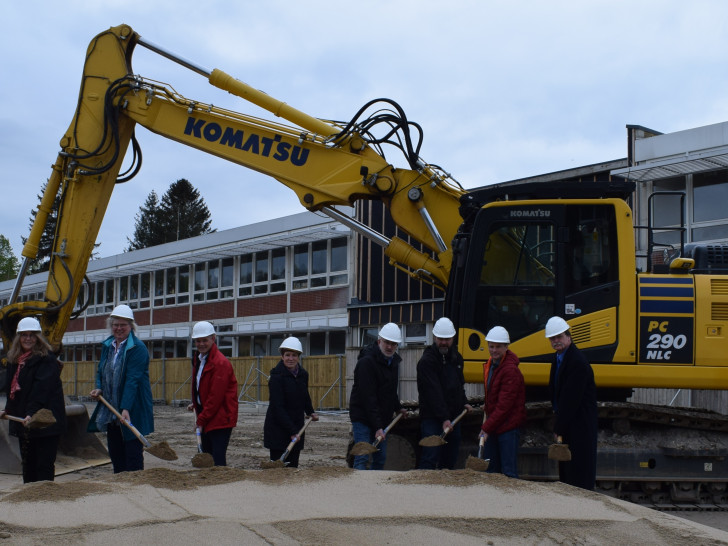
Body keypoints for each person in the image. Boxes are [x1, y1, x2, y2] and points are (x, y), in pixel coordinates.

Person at [88, 304, 154, 473]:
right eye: (115, 325)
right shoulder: (108, 346)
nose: (118, 328)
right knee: (116, 452)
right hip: (111, 408)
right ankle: (120, 488)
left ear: (131, 326)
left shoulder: (137, 349)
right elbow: (101, 370)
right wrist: (99, 388)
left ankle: (136, 487)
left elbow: (133, 380)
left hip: (133, 407)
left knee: (132, 452)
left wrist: (125, 408)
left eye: (123, 325)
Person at [1, 317, 66, 483]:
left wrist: (31, 413)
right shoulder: (15, 361)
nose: (28, 338)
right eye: (24, 335)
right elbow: (12, 390)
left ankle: (45, 500)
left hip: (45, 421)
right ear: (18, 337)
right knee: (28, 465)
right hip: (26, 422)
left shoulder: (47, 359)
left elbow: (41, 390)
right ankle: (29, 501)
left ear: (38, 337)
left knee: (43, 465)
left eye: (32, 335)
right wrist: (8, 410)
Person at [546, 316, 598, 491]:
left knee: (579, 471)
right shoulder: (560, 358)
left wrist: (558, 427)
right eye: (552, 338)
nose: (556, 341)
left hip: (579, 426)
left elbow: (570, 400)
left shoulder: (577, 363)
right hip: (570, 423)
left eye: (559, 337)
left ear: (568, 336)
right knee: (568, 471)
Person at [349, 323, 407, 470]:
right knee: (362, 457)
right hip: (363, 416)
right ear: (379, 340)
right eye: (387, 342)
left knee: (380, 459)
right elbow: (368, 397)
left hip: (381, 419)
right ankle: (357, 490)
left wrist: (398, 408)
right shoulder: (366, 363)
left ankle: (374, 491)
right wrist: (377, 427)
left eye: (393, 344)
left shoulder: (393, 362)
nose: (389, 347)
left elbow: (390, 391)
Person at [416, 317, 471, 469]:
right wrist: (444, 418)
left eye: (447, 339)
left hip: (454, 417)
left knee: (450, 457)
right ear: (434, 337)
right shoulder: (427, 361)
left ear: (453, 338)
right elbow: (433, 393)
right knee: (431, 455)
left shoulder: (457, 358)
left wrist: (464, 401)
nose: (444, 343)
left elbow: (459, 385)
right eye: (441, 339)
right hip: (432, 418)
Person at [187, 321, 238, 466]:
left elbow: (216, 397)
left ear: (213, 339)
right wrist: (196, 403)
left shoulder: (220, 363)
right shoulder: (200, 359)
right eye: (198, 341)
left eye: (205, 340)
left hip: (221, 417)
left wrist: (201, 420)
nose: (201, 344)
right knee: (206, 457)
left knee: (217, 459)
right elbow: (202, 387)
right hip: (208, 413)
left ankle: (219, 487)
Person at [479, 326, 526, 478]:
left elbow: (504, 406)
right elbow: (494, 395)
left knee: (508, 473)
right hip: (496, 425)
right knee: (492, 471)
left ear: (506, 347)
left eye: (498, 347)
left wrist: (485, 428)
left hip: (508, 427)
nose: (494, 350)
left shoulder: (510, 370)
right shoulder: (491, 365)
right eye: (491, 346)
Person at [263, 337, 318, 467]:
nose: (290, 358)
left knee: (293, 467)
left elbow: (305, 396)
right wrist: (292, 430)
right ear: (282, 357)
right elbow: (278, 407)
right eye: (287, 355)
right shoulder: (276, 377)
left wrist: (310, 411)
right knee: (278, 468)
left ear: (298, 357)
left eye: (294, 355)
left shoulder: (303, 374)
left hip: (296, 425)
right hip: (278, 428)